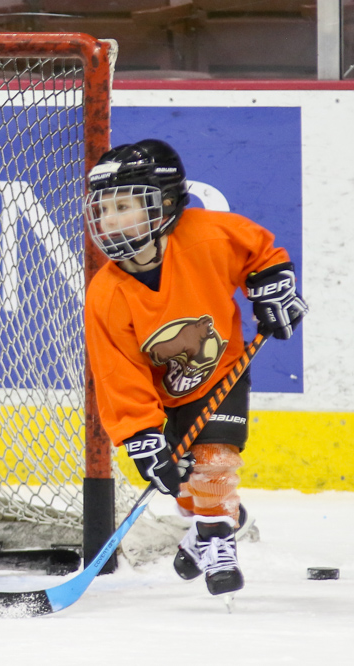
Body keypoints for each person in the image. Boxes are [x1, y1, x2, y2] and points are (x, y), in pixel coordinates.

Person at [83, 139, 307, 597]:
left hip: (221, 372)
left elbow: (260, 253)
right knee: (183, 484)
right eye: (102, 209)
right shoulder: (106, 294)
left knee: (214, 459)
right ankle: (212, 522)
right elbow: (117, 374)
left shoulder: (205, 236)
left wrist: (271, 287)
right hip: (162, 395)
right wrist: (142, 436)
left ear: (164, 203)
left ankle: (218, 542)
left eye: (123, 205)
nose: (108, 220)